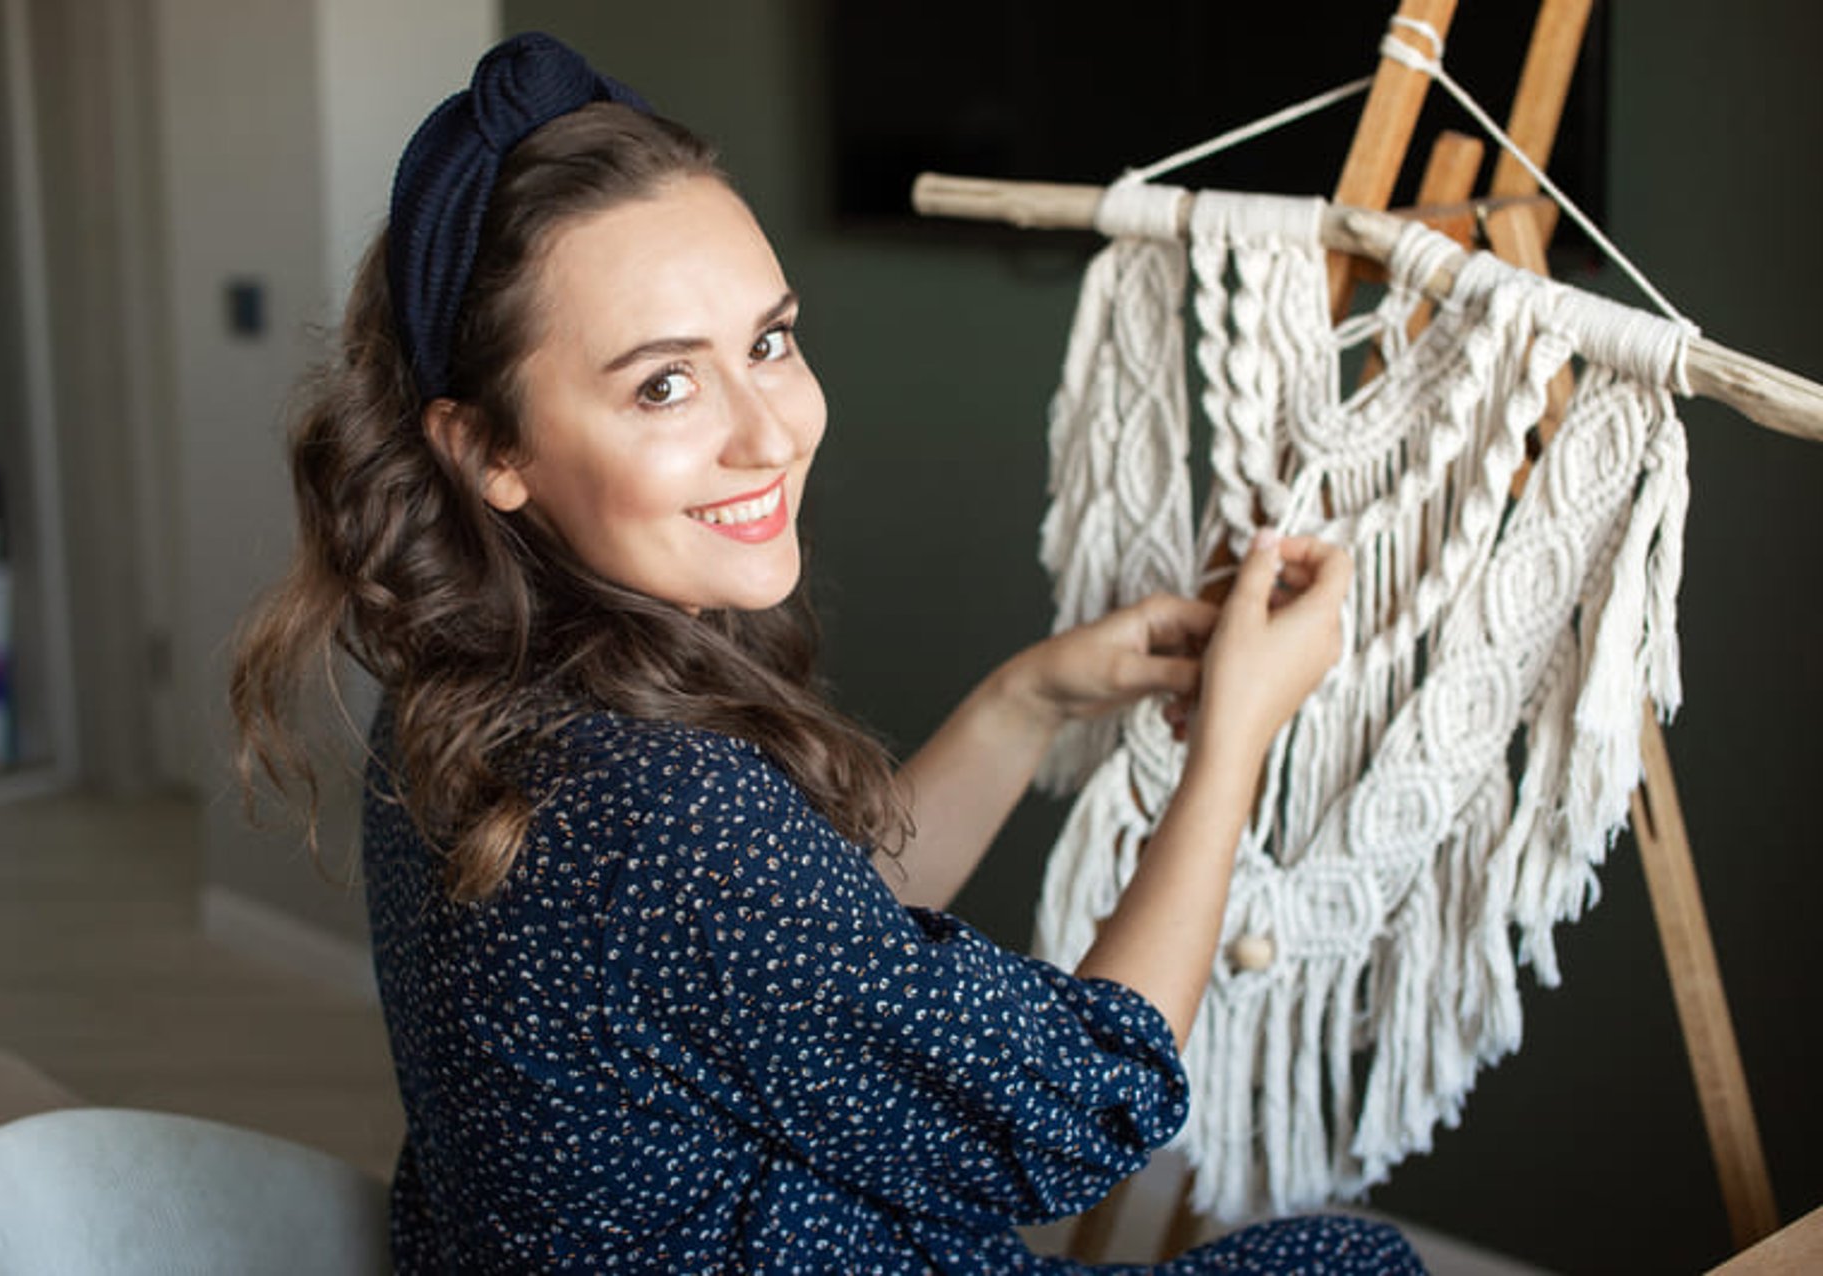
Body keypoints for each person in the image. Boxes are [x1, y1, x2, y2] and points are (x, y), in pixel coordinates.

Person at [232, 31, 1424, 1276]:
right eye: (661, 388)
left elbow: (800, 966)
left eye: (769, 341)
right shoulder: (662, 812)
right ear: (489, 450)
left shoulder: (460, 697)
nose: (769, 432)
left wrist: (1029, 700)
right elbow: (1088, 1101)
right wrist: (1235, 735)